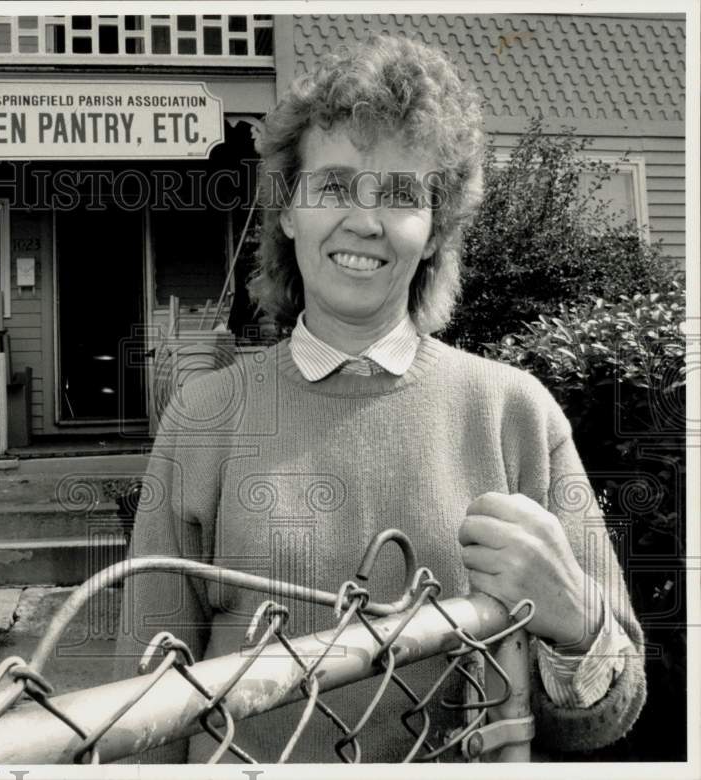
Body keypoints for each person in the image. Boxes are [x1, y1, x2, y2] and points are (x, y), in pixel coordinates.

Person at [115, 34, 645, 763]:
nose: (364, 221)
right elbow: (141, 704)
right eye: (334, 186)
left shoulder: (516, 413)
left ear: (435, 232)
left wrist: (574, 621)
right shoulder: (204, 419)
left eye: (401, 194)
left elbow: (610, 711)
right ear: (289, 213)